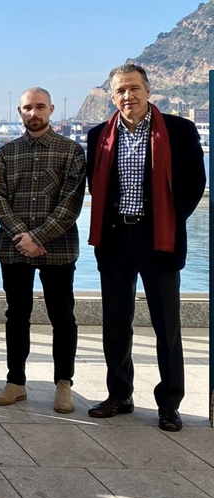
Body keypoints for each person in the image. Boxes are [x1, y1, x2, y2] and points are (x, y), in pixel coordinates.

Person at [85, 64, 205, 432]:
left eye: (134, 88)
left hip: (160, 240)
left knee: (166, 326)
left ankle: (169, 404)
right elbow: (95, 185)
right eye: (120, 90)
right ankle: (119, 394)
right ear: (112, 95)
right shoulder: (97, 136)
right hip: (116, 240)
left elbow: (195, 184)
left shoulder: (179, 131)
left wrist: (167, 220)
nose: (128, 96)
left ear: (149, 90)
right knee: (115, 324)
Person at [0, 87, 86, 414]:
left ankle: (63, 384)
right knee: (16, 315)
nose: (34, 113)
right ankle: (15, 381)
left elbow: (71, 203)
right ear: (20, 112)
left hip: (58, 249)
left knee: (63, 317)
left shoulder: (72, 152)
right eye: (28, 108)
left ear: (51, 110)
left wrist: (39, 236)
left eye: (40, 107)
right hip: (14, 250)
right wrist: (22, 235)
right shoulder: (6, 153)